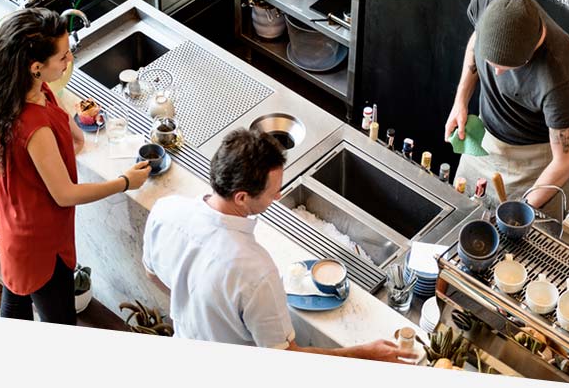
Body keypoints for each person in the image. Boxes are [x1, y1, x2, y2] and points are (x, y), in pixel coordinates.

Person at [143, 127, 414, 363]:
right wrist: (364, 354)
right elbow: (285, 356)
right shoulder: (255, 271)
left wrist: (198, 306)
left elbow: (153, 274)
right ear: (241, 198)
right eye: (274, 191)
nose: (280, 194)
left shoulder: (166, 211)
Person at [0, 8, 151, 324]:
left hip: (17, 219)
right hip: (38, 241)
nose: (69, 60)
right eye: (63, 56)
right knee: (61, 323)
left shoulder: (28, 90)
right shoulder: (34, 127)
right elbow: (64, 194)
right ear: (36, 67)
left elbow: (73, 136)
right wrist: (125, 182)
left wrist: (76, 125)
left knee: (16, 297)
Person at [444, 0, 569, 216]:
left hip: (536, 163)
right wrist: (461, 100)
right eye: (492, 64)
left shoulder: (559, 72)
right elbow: (475, 39)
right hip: (485, 142)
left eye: (506, 68)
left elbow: (567, 158)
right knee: (462, 218)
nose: (497, 74)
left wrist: (523, 209)